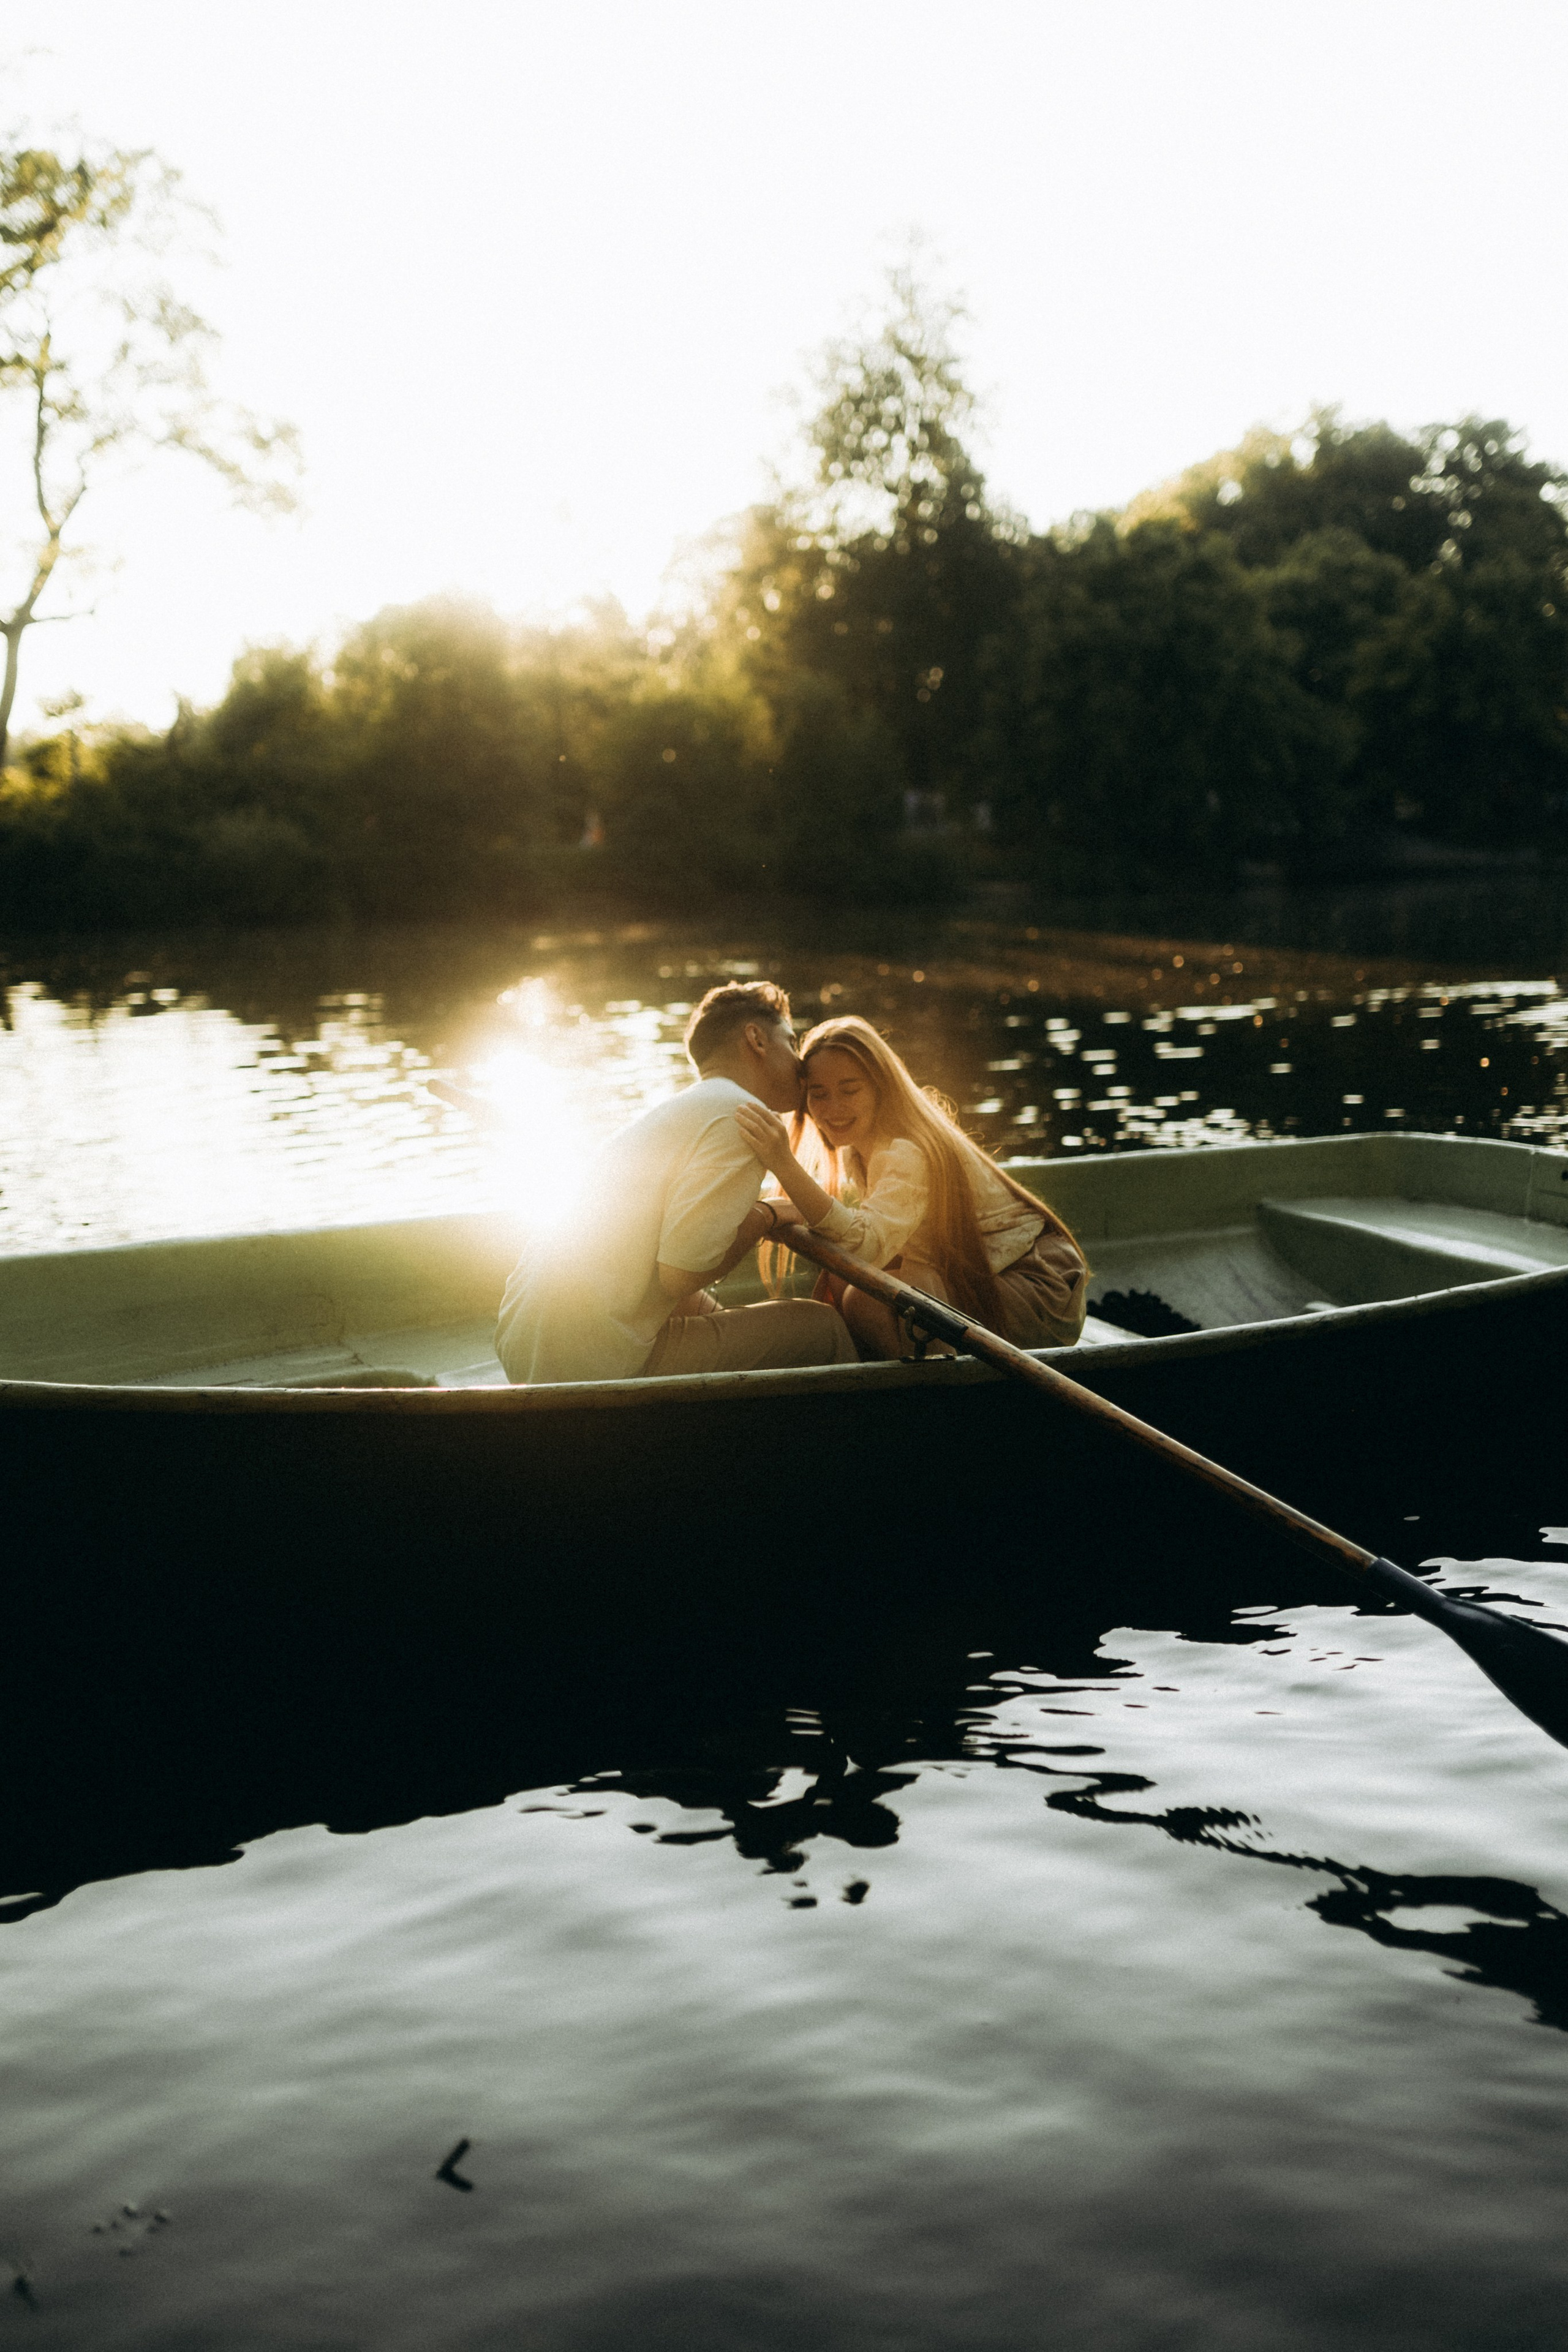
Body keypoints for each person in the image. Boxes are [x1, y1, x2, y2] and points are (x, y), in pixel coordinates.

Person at [495, 981, 857, 1384]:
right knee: (821, 1327)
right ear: (756, 1038)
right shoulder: (740, 1115)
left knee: (705, 1309)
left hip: (524, 1345)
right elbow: (680, 1276)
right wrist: (768, 1214)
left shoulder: (679, 1110)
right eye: (790, 1042)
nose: (800, 1066)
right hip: (589, 1362)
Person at [733, 1013, 1087, 1359]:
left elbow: (867, 1246)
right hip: (990, 1275)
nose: (833, 1108)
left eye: (850, 1089)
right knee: (842, 1283)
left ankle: (926, 1400)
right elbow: (873, 1225)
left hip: (1038, 1287)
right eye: (819, 1094)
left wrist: (784, 1164)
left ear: (881, 1088)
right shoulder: (859, 1147)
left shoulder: (907, 1151)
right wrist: (787, 1209)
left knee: (863, 1299)